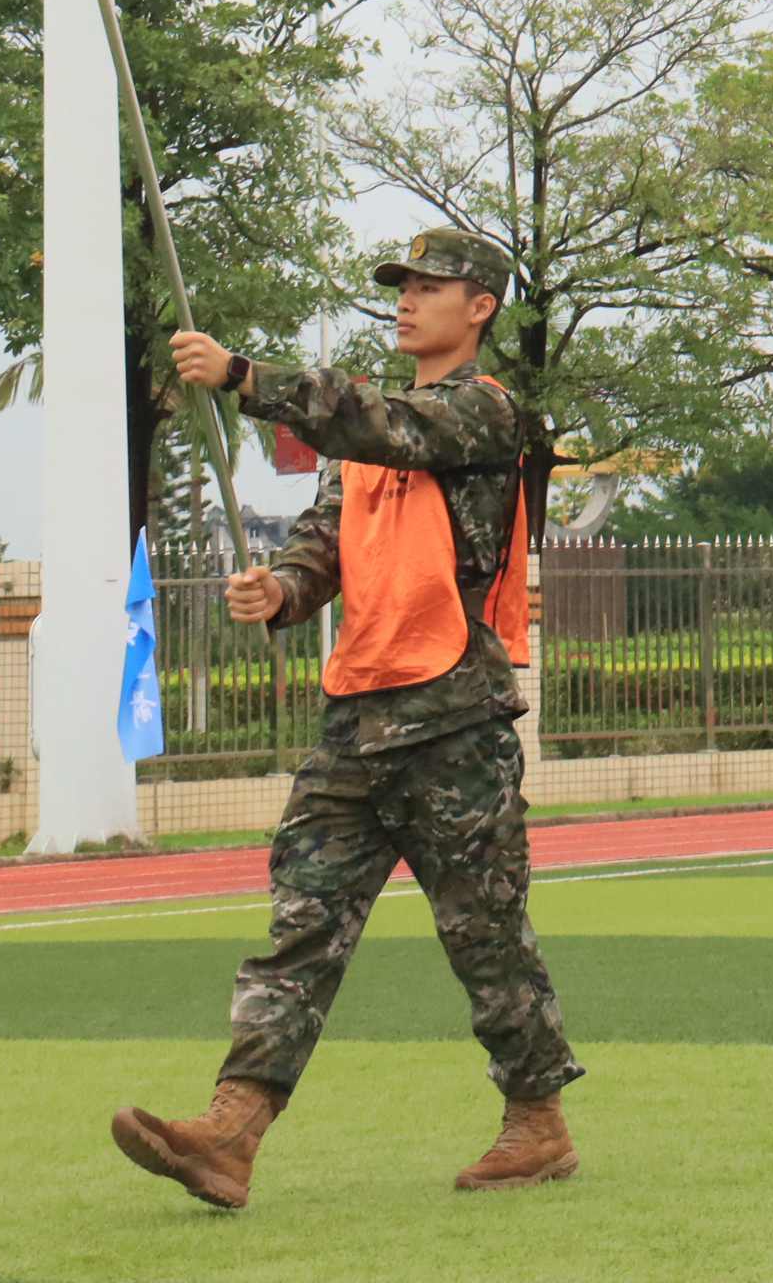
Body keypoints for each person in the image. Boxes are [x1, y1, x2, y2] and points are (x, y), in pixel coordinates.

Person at [112, 228, 578, 1209]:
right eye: (401, 287)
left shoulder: (484, 415)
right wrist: (280, 591)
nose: (407, 300)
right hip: (357, 715)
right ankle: (231, 1132)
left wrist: (245, 374)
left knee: (484, 934)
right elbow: (325, 544)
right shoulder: (367, 439)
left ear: (480, 306)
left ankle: (537, 1122)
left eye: (429, 287)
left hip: (454, 718)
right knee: (302, 924)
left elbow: (372, 422)